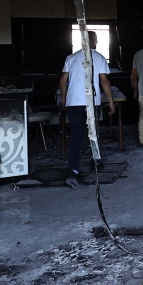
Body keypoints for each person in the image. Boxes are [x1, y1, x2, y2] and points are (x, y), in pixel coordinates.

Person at [59, 30, 115, 182]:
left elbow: (63, 81)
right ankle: (96, 161)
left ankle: (74, 170)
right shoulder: (98, 57)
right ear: (95, 42)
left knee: (76, 136)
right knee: (94, 134)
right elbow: (104, 81)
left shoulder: (71, 58)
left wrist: (64, 98)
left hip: (73, 102)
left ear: (81, 42)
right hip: (91, 103)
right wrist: (110, 100)